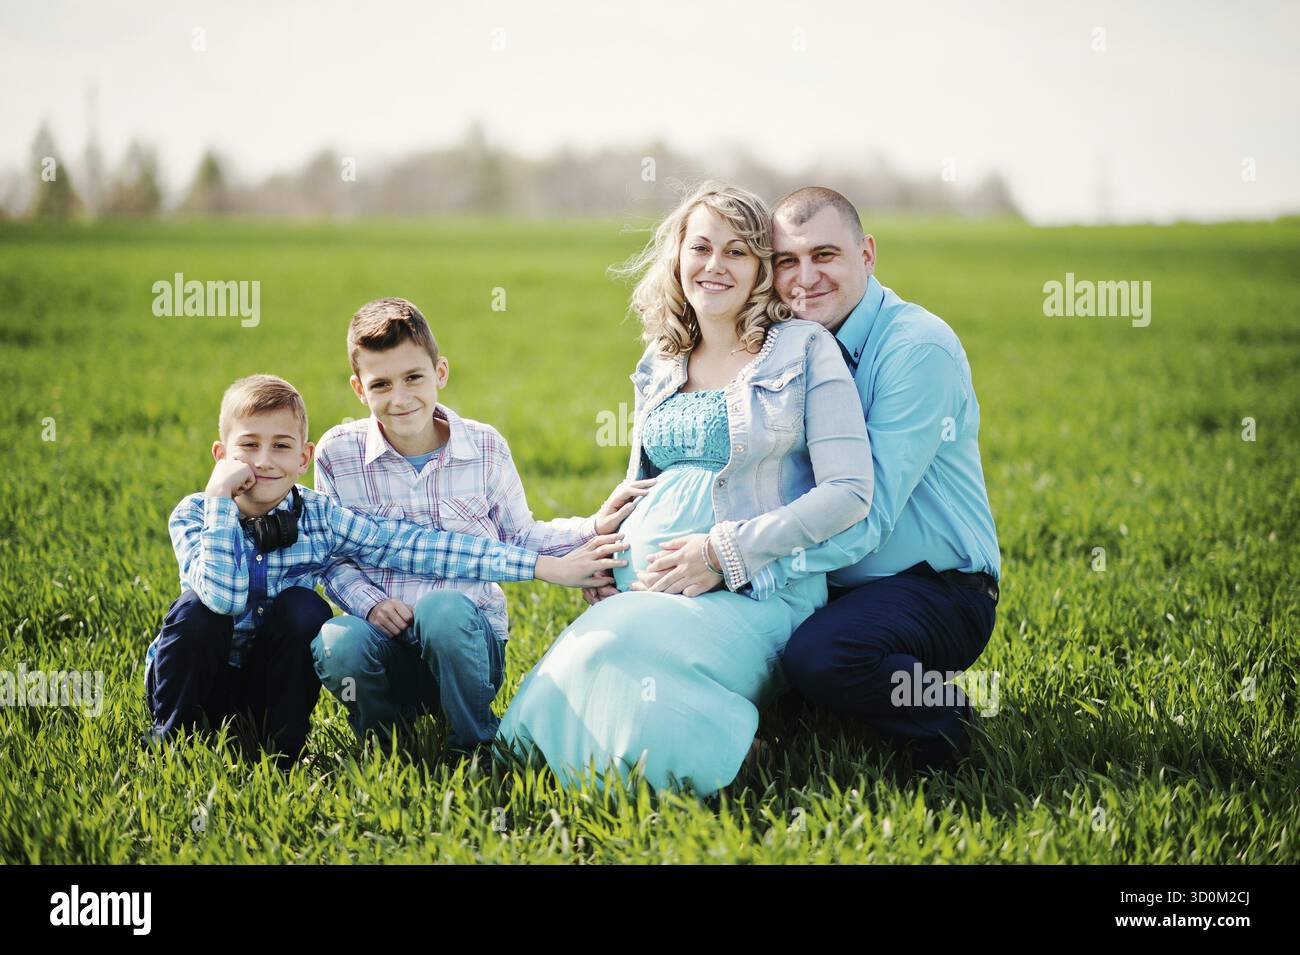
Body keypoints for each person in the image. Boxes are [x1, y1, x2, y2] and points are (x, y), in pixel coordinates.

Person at [496, 182, 874, 795]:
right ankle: (576, 773)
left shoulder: (805, 350)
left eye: (737, 251)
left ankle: (736, 756)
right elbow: (645, 481)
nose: (714, 266)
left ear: (760, 270)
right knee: (590, 656)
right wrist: (607, 549)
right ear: (677, 258)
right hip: (648, 588)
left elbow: (849, 492)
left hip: (758, 593)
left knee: (613, 647)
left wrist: (724, 553)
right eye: (700, 247)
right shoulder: (661, 358)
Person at [144, 374, 625, 766]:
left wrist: (544, 566)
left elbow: (422, 548)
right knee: (197, 611)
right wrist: (218, 504)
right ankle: (174, 745)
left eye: (281, 447)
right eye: (248, 446)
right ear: (221, 455)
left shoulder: (318, 518)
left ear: (303, 457)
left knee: (304, 608)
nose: (265, 462)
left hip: (262, 689)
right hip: (199, 683)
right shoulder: (193, 514)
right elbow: (224, 599)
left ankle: (279, 752)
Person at [311, 298, 651, 753]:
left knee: (443, 610)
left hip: (466, 644)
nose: (400, 397)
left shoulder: (484, 447)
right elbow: (330, 557)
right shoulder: (337, 453)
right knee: (338, 641)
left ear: (441, 373)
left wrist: (591, 528)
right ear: (359, 389)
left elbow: (519, 535)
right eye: (381, 384)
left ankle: (473, 743)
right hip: (384, 644)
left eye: (414, 377)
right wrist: (370, 604)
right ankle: (388, 744)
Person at [771, 187, 1001, 773]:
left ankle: (943, 718)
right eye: (786, 261)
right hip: (832, 581)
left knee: (822, 657)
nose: (805, 278)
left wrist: (744, 562)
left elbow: (866, 515)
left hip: (938, 587)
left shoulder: (917, 348)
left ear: (867, 254)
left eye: (825, 255)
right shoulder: (785, 345)